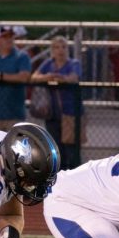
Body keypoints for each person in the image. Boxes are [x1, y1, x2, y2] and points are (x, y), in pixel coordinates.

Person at [30, 36, 83, 168]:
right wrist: (47, 77)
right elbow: (34, 77)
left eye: (64, 47)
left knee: (71, 148)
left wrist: (60, 78)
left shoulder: (73, 63)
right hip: (52, 113)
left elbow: (73, 78)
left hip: (70, 113)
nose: (60, 50)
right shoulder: (48, 64)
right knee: (56, 148)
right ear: (52, 50)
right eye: (57, 47)